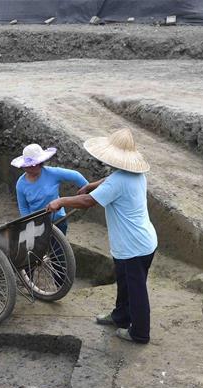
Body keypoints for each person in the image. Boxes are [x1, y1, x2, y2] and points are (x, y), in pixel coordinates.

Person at [46, 128, 158, 344]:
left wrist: (61, 202)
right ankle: (120, 317)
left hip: (134, 245)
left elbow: (88, 202)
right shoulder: (134, 174)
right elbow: (110, 178)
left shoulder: (119, 183)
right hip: (139, 242)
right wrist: (91, 185)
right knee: (125, 283)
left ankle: (140, 333)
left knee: (136, 291)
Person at [11, 143, 88, 235]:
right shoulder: (21, 184)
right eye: (30, 165)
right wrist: (29, 224)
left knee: (58, 248)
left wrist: (87, 188)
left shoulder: (52, 173)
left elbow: (75, 176)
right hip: (37, 223)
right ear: (24, 166)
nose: (34, 167)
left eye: (37, 164)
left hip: (58, 220)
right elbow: (23, 207)